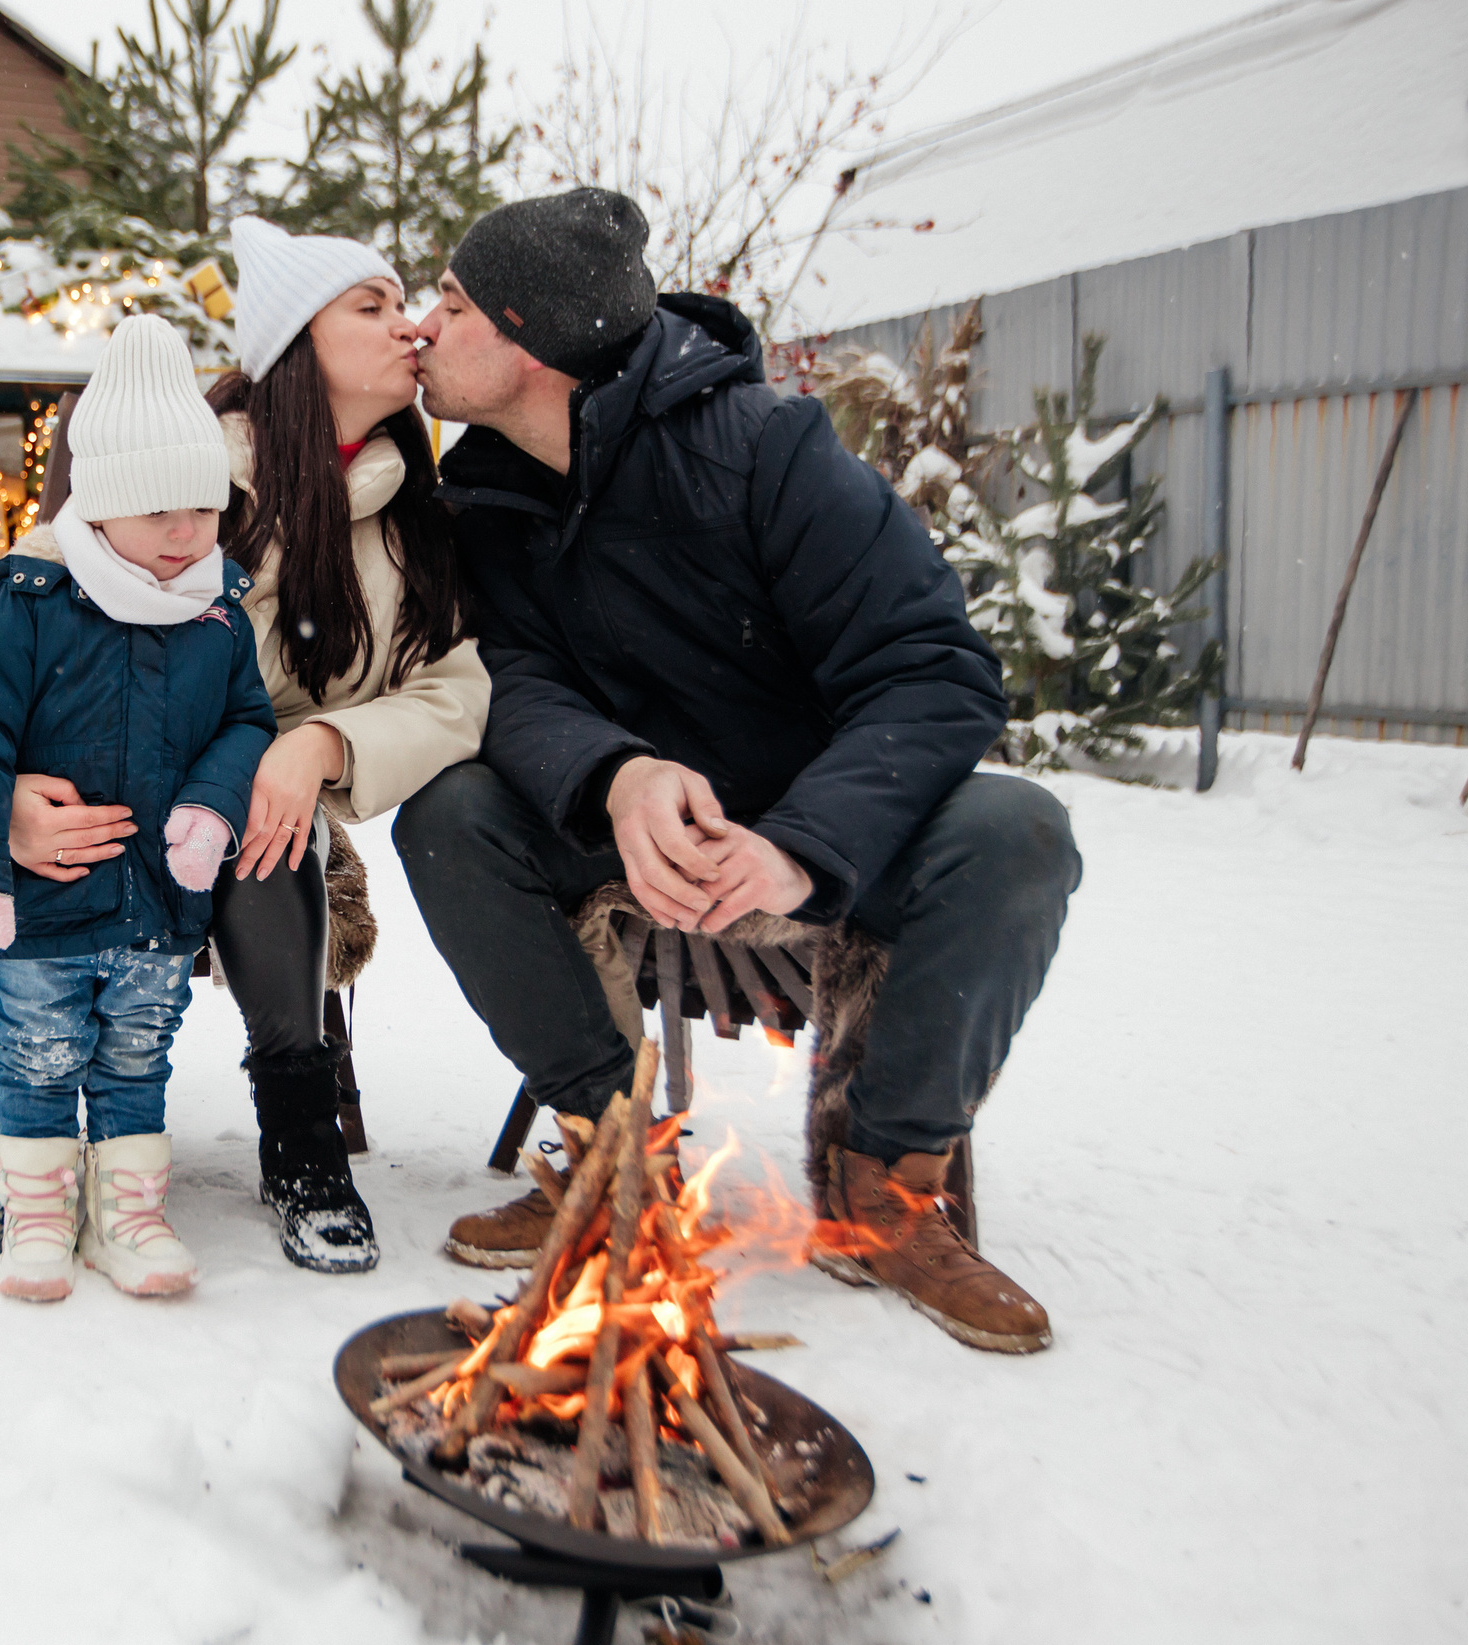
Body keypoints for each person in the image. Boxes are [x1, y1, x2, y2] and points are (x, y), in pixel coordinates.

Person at [399, 188, 1082, 1354]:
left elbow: (932, 672)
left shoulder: (767, 451)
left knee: (1014, 829)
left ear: (531, 342)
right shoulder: (484, 500)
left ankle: (888, 1193)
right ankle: (608, 1157)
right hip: (632, 836)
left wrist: (798, 846)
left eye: (452, 304)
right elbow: (503, 678)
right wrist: (615, 776)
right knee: (449, 811)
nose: (424, 326)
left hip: (819, 833)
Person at [0, 216, 488, 1275]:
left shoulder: (413, 522)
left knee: (264, 834)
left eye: (408, 305)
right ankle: (11, 1100)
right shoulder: (163, 459)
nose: (413, 327)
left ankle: (299, 1130)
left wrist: (321, 743)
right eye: (374, 305)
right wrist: (3, 796)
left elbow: (454, 687)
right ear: (295, 342)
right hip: (86, 786)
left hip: (243, 789)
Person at [0, 315, 274, 1302]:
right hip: (44, 905)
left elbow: (246, 722)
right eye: (158, 510)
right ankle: (40, 1217)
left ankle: (130, 1218)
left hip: (157, 906)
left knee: (136, 1059)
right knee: (36, 1058)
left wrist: (210, 808)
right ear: (104, 504)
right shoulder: (28, 603)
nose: (185, 532)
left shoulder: (217, 615)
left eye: (202, 508)